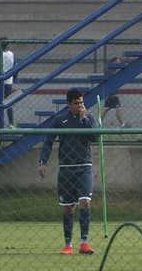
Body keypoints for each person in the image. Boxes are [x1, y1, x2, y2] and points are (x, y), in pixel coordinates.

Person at [38, 88, 99, 255]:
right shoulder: (59, 120)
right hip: (66, 169)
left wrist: (84, 118)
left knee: (85, 201)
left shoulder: (89, 118)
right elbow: (48, 142)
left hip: (84, 167)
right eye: (76, 103)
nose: (80, 106)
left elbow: (95, 137)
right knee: (68, 207)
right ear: (69, 104)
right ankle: (68, 245)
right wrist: (43, 162)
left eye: (81, 102)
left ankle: (84, 243)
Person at [101, 52, 127, 128]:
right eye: (117, 62)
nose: (119, 64)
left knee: (106, 109)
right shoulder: (110, 71)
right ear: (113, 62)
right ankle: (123, 124)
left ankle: (98, 123)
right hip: (112, 94)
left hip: (111, 92)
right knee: (118, 109)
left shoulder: (111, 70)